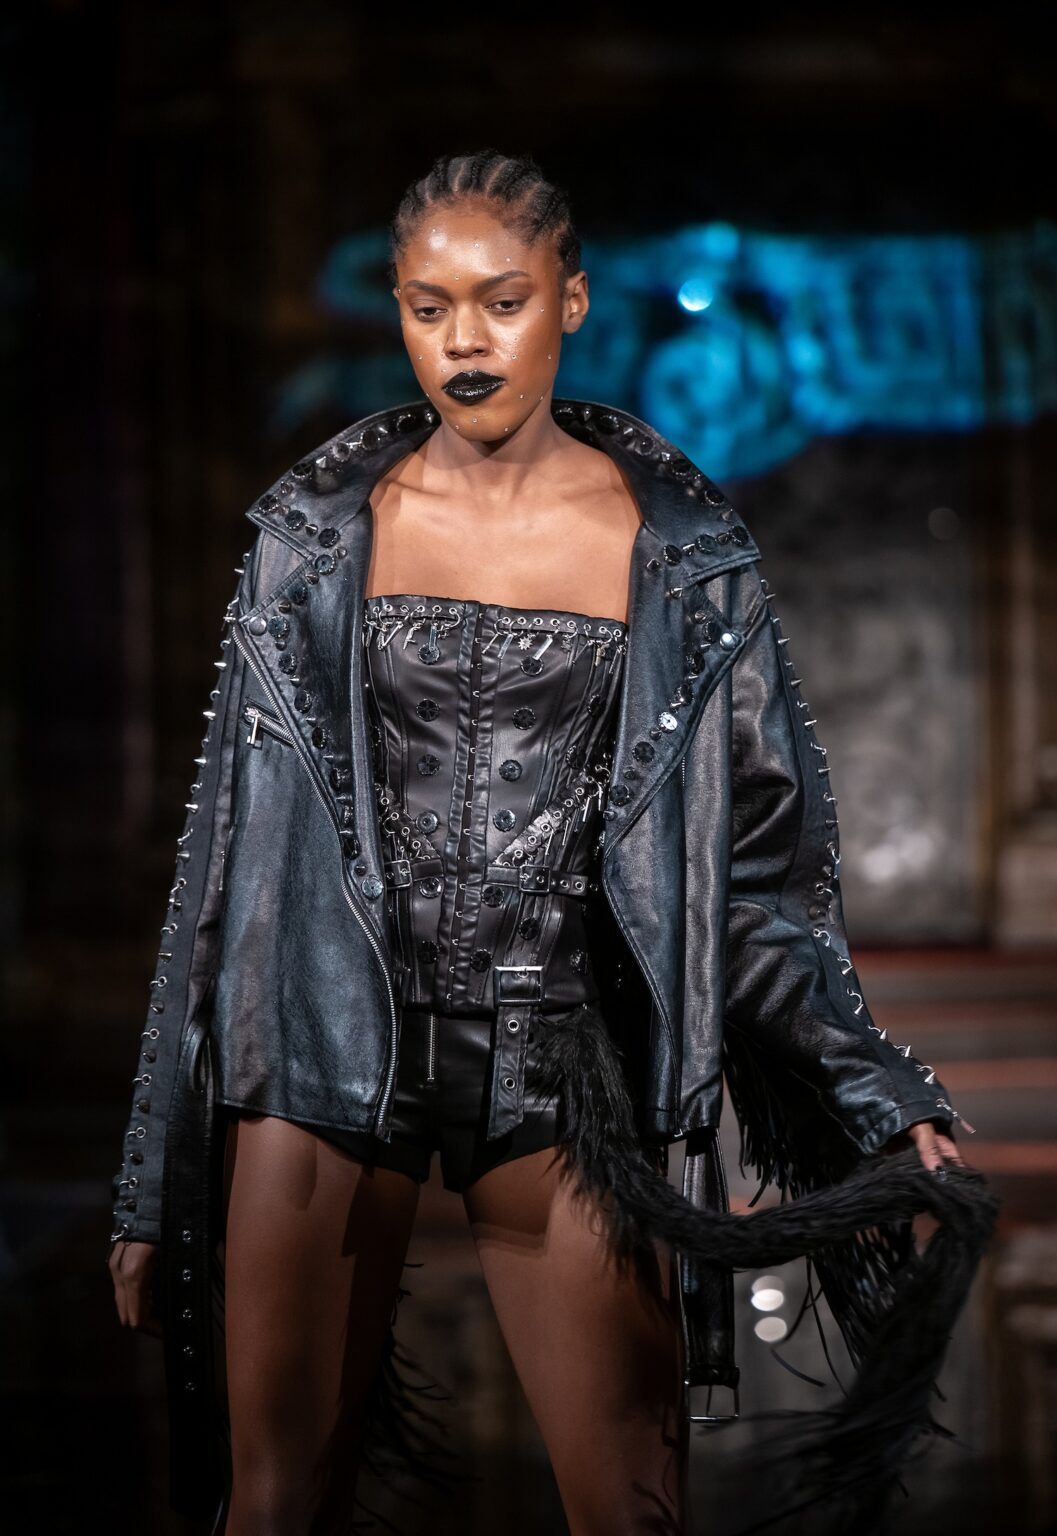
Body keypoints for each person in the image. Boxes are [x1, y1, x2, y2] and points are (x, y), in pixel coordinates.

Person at [107, 149, 996, 1536]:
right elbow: (218, 871)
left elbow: (760, 880)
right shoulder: (310, 541)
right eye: (426, 304)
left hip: (558, 1059)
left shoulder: (683, 556)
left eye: (501, 299)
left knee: (629, 1510)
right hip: (324, 1044)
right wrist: (152, 1173)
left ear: (571, 301)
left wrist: (879, 1095)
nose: (462, 340)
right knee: (272, 1503)